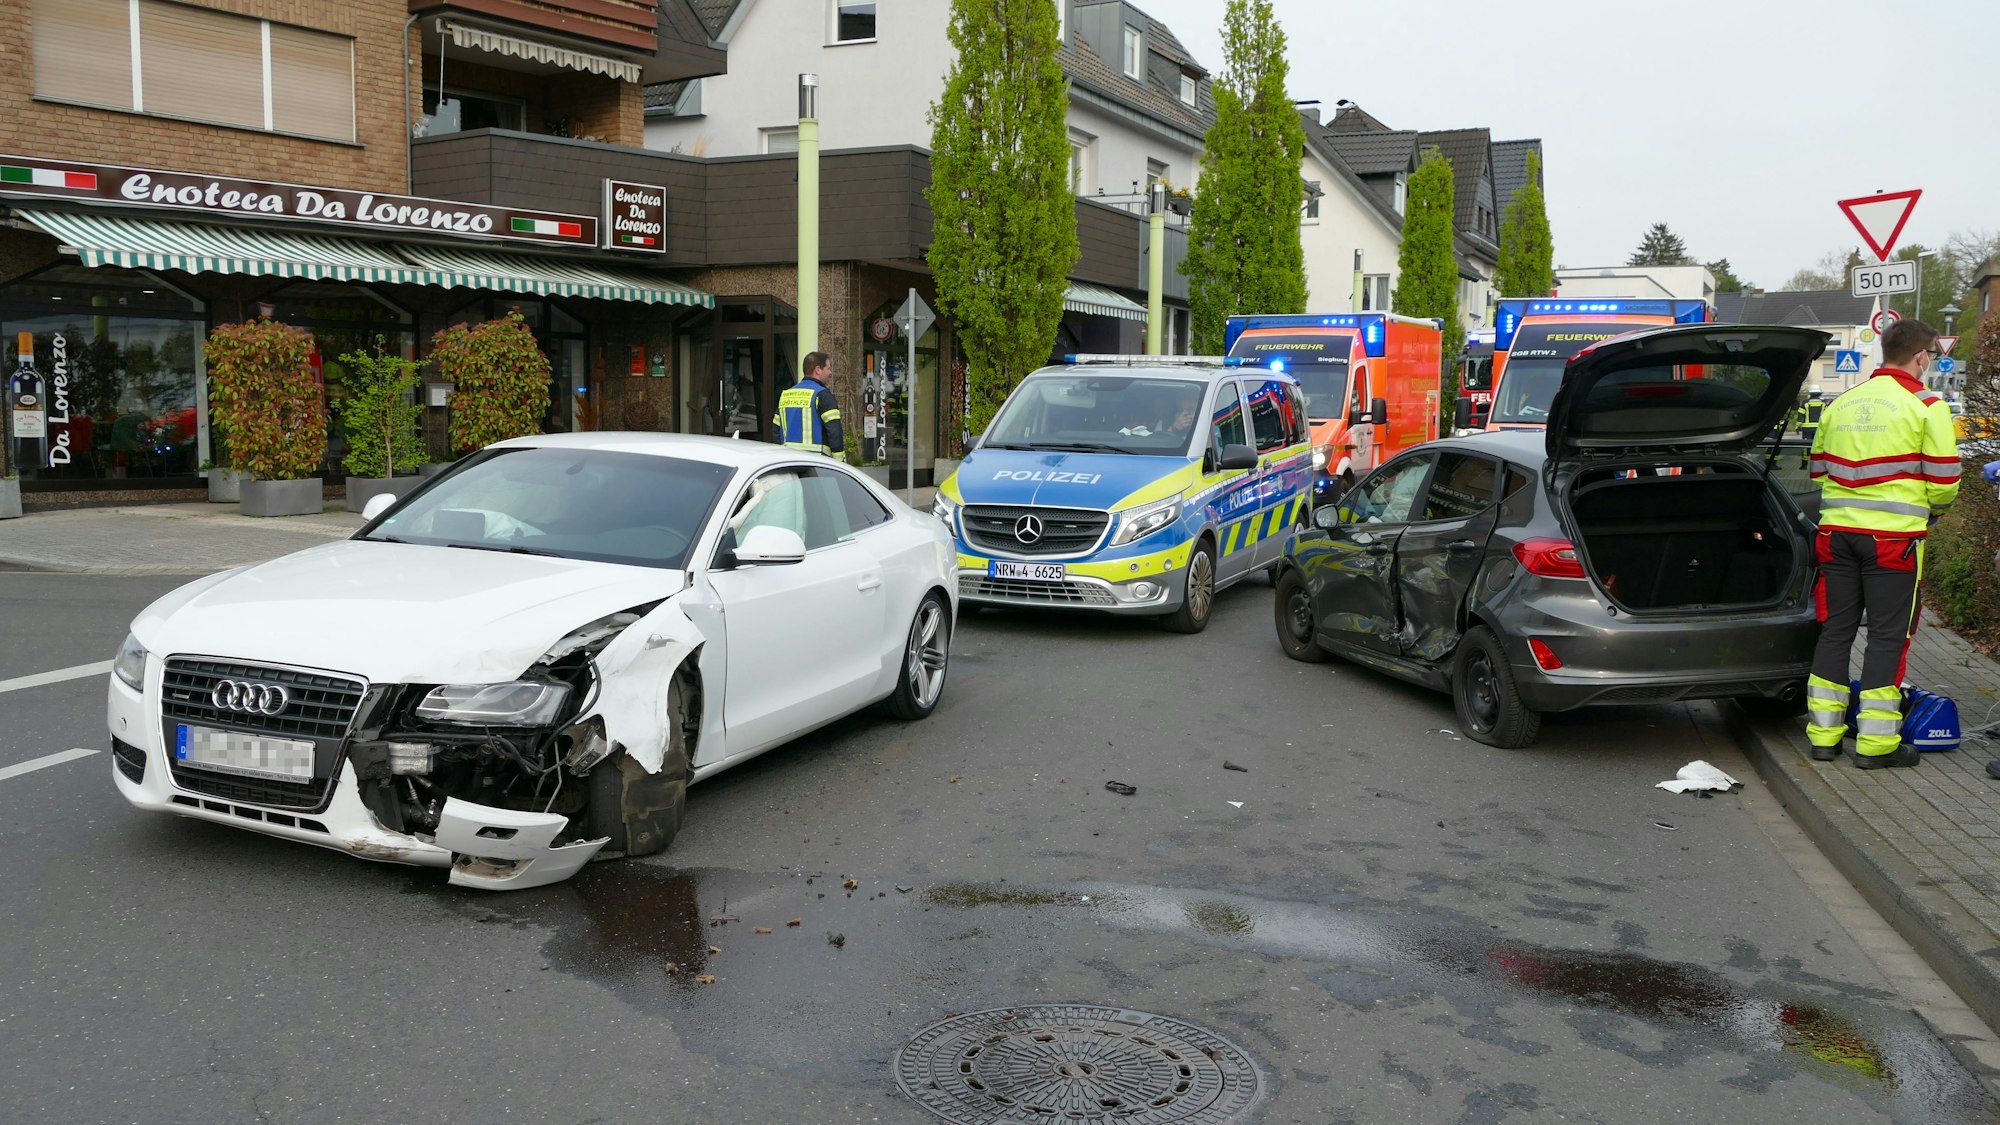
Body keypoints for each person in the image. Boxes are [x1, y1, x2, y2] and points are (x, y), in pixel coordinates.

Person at [1804, 320, 1960, 768]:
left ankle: (1823, 737)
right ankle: (1876, 745)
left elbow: (1817, 470)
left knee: (1836, 631)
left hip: (1836, 537)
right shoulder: (1927, 405)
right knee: (1889, 637)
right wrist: (1931, 509)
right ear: (1921, 356)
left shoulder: (1841, 402)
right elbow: (1946, 481)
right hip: (1894, 543)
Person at [772, 352, 846, 460]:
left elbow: (775, 431)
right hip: (816, 463)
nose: (830, 373)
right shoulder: (823, 395)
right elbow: (834, 431)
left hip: (788, 461)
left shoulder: (786, 395)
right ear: (818, 370)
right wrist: (839, 462)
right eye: (828, 368)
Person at [1793, 385, 1826, 468]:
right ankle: (1818, 465)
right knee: (1818, 446)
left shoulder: (1805, 403)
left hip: (1807, 429)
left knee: (1806, 446)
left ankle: (1804, 465)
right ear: (1819, 393)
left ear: (1810, 393)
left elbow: (1800, 416)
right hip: (1819, 428)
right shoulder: (1824, 403)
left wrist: (1797, 427)